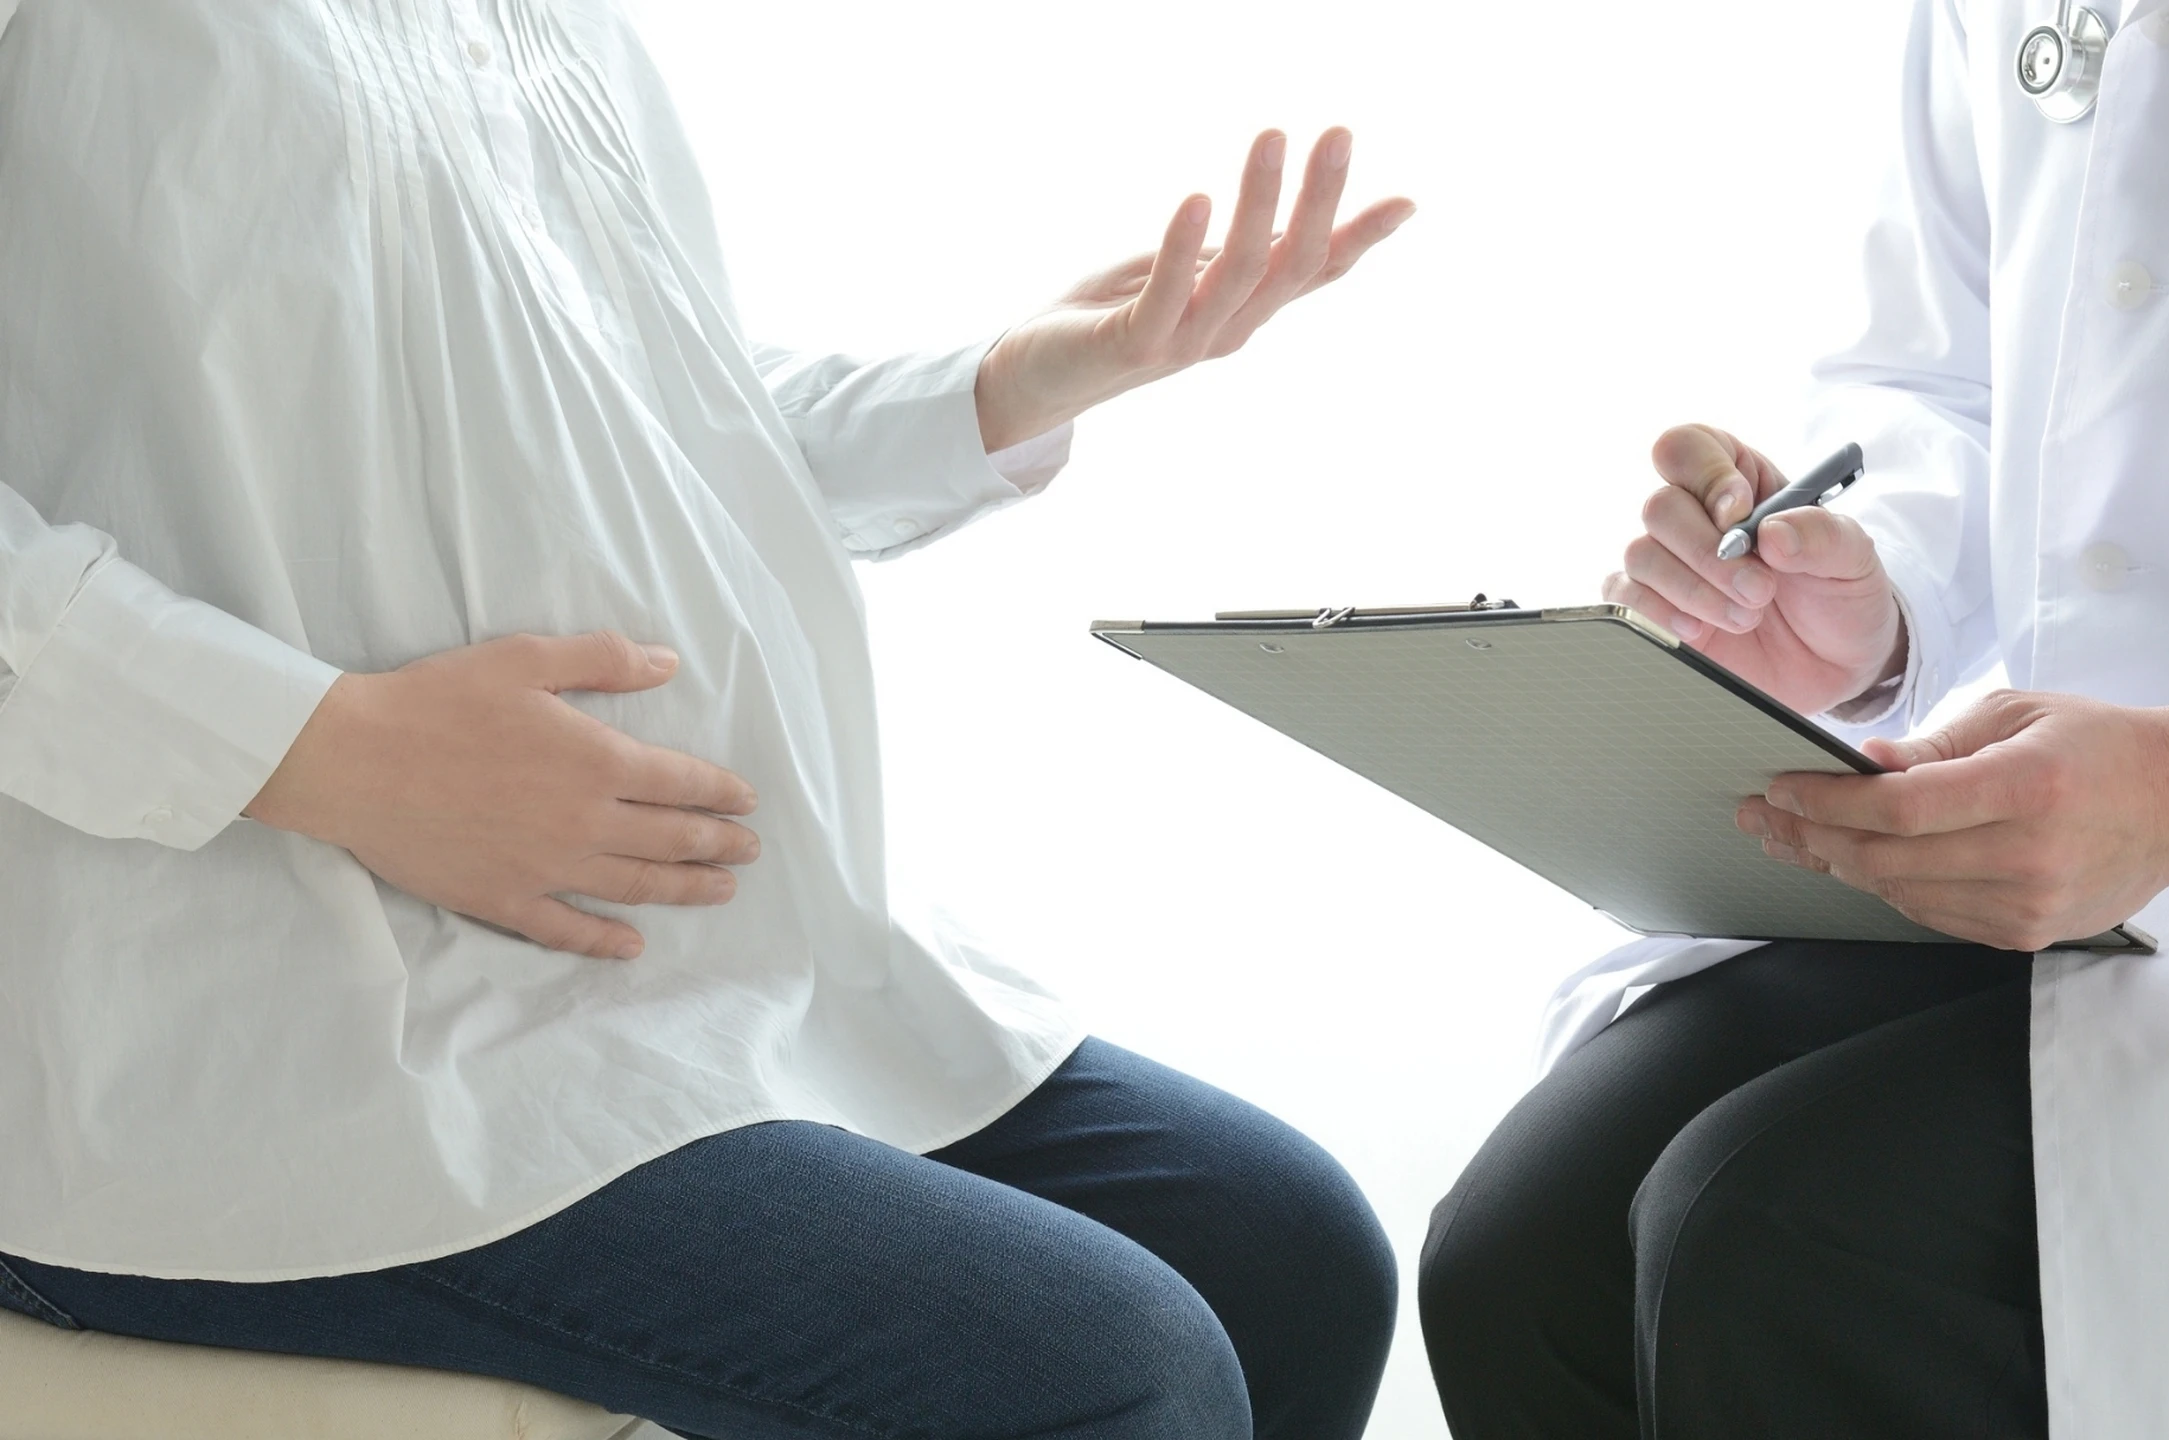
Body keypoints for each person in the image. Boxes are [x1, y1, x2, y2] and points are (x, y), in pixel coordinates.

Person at [0, 3, 1415, 1437]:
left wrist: (1010, 382)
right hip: (241, 1017)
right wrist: (326, 751)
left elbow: (645, 414)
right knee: (1113, 1370)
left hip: (666, 974)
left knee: (1288, 1258)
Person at [1417, 1, 2169, 1436]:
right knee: (1522, 1256)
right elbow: (1944, 370)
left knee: (1778, 1237)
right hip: (2055, 865)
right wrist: (1866, 584)